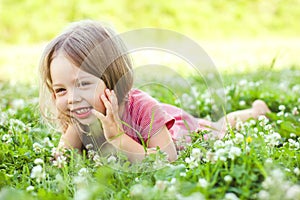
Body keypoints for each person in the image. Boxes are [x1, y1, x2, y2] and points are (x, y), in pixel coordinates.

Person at [39, 20, 270, 162]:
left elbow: (167, 158)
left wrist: (118, 139)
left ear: (114, 79)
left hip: (180, 133)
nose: (72, 99)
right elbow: (63, 160)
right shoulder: (80, 117)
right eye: (60, 90)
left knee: (220, 128)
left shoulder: (143, 109)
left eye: (83, 84)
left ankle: (254, 111)